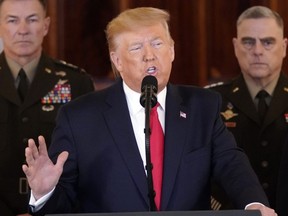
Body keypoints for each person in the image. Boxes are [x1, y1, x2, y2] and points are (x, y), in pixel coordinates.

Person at [22, 7, 277, 216]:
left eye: (157, 44)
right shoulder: (80, 117)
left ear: (173, 51)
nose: (149, 56)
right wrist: (45, 193)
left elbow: (232, 166)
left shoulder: (203, 106)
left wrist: (254, 206)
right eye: (136, 48)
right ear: (117, 61)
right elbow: (62, 204)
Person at [0, 0, 95, 215]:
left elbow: (89, 160)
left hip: (59, 210)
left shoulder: (76, 82)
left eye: (32, 20)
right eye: (12, 20)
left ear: (46, 25)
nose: (23, 30)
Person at [207, 5, 288, 216]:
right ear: (235, 46)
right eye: (248, 41)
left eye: (268, 42)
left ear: (284, 47)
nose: (258, 50)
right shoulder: (210, 102)